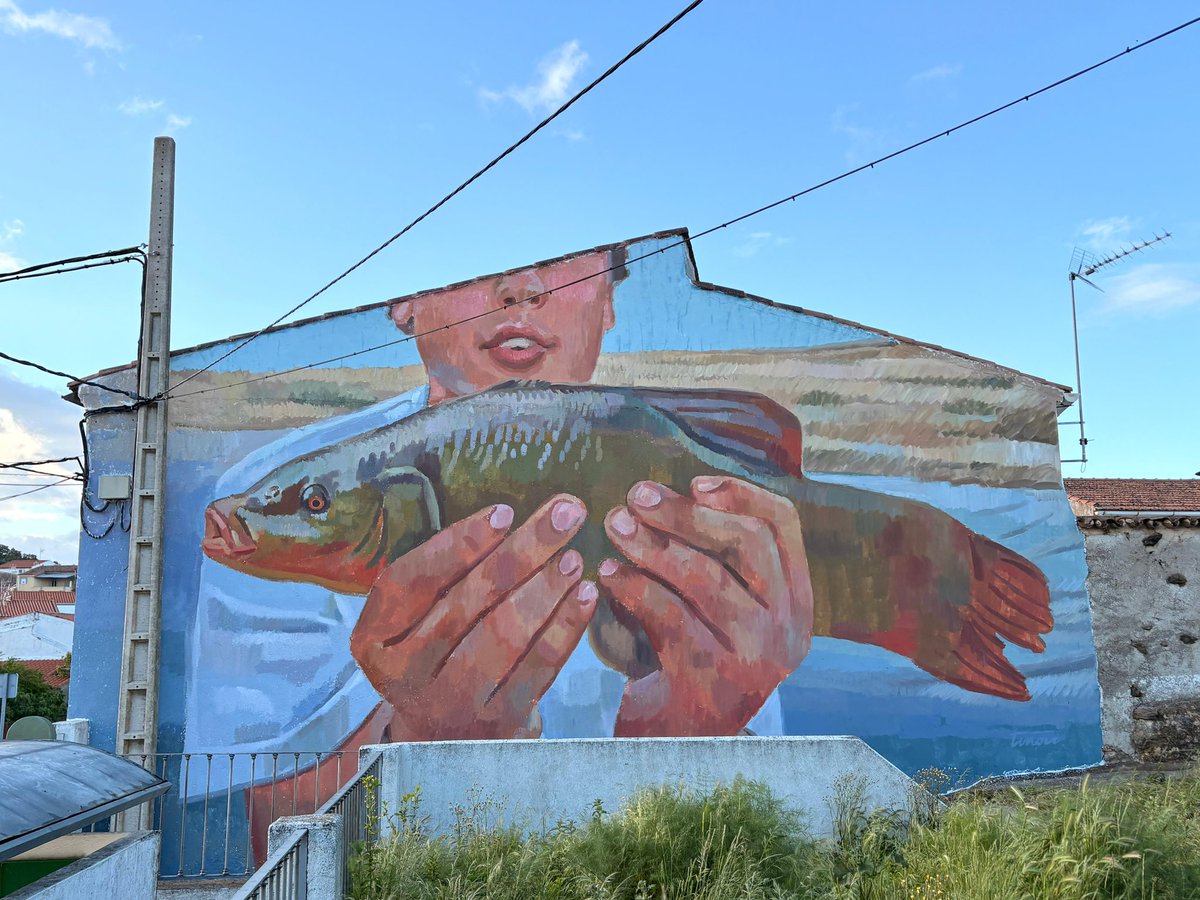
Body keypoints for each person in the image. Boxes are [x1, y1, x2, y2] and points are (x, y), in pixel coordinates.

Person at [189, 245, 813, 850]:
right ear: (402, 301)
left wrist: (689, 720)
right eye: (475, 248)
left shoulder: (710, 490)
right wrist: (418, 737)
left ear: (610, 293)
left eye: (566, 252)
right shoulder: (270, 485)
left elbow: (754, 823)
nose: (522, 285)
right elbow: (275, 834)